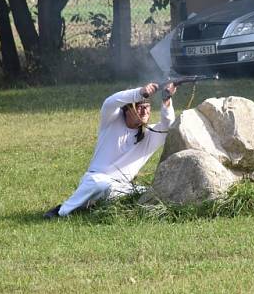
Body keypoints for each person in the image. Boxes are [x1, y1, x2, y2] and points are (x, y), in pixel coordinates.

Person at [43, 81, 177, 218]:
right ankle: (61, 211)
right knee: (99, 185)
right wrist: (139, 92)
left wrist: (166, 99)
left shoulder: (150, 134)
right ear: (127, 109)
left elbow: (169, 125)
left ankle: (94, 206)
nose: (144, 111)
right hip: (96, 180)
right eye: (139, 106)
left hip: (122, 187)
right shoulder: (112, 120)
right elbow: (110, 102)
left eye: (147, 107)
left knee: (151, 193)